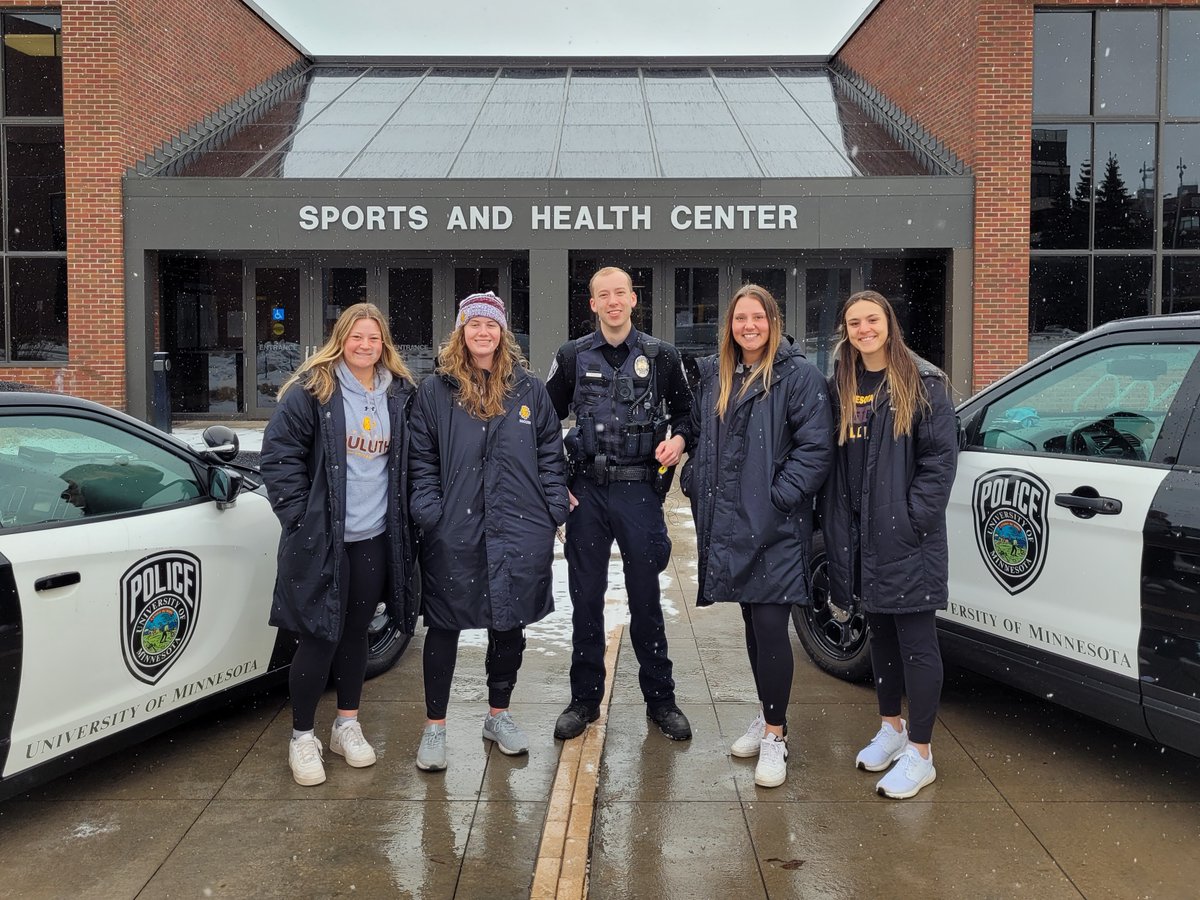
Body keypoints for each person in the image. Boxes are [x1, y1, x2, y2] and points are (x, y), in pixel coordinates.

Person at [260, 302, 418, 787]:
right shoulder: (314, 391)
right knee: (318, 636)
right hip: (324, 539)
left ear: (383, 344)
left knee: (356, 635)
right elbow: (279, 457)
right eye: (356, 337)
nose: (364, 346)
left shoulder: (399, 395)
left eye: (373, 338)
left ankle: (346, 724)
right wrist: (299, 519)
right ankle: (302, 736)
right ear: (341, 340)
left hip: (373, 538)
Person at [408, 291, 568, 771]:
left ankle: (498, 714)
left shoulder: (528, 389)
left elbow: (548, 452)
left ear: (503, 333)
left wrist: (553, 507)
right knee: (444, 625)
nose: (483, 333)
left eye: (491, 325)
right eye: (474, 325)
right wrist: (429, 509)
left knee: (508, 622)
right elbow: (422, 458)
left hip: (518, 527)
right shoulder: (435, 390)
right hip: (453, 528)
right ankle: (435, 726)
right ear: (461, 331)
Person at [683, 284, 832, 787]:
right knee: (751, 625)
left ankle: (775, 735)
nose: (748, 326)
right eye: (740, 318)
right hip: (732, 525)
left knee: (771, 627)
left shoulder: (798, 376)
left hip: (773, 527)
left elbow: (814, 450)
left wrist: (776, 499)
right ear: (730, 324)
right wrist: (693, 477)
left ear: (773, 322)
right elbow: (702, 438)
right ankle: (773, 715)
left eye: (758, 318)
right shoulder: (716, 375)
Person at [545, 266, 695, 742]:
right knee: (585, 599)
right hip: (585, 490)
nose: (612, 301)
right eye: (602, 295)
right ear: (593, 305)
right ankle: (584, 699)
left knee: (647, 600)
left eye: (620, 293)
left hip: (638, 490)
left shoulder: (662, 356)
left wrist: (681, 441)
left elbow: (688, 415)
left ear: (634, 299)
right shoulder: (571, 356)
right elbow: (543, 422)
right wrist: (556, 485)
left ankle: (661, 700)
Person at [820, 289, 958, 799]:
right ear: (846, 331)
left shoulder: (924, 383)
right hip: (860, 538)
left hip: (904, 538)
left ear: (888, 323)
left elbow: (939, 463)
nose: (863, 329)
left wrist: (909, 522)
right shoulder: (843, 382)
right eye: (854, 322)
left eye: (871, 320)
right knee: (878, 636)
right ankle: (891, 727)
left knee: (917, 644)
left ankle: (921, 753)